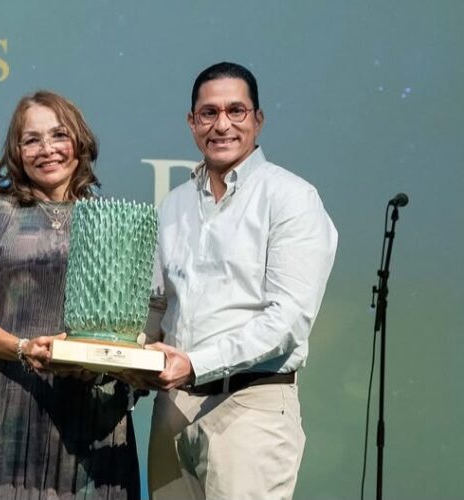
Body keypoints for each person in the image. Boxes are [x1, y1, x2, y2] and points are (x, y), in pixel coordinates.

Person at [140, 62, 338, 499]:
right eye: (209, 113)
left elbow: (286, 321)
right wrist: (123, 358)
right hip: (173, 409)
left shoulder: (291, 198)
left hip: (250, 406)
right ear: (192, 122)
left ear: (258, 119)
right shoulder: (173, 205)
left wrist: (195, 363)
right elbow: (158, 305)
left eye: (236, 111)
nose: (222, 125)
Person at [0, 91, 140, 499]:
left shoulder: (109, 220)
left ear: (79, 142)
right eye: (31, 140)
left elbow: (127, 324)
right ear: (17, 152)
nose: (47, 149)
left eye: (58, 135)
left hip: (90, 405)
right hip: (7, 403)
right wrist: (23, 348)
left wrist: (106, 364)